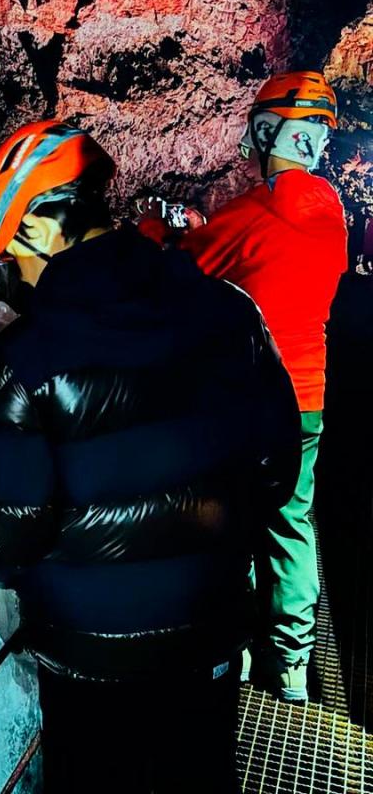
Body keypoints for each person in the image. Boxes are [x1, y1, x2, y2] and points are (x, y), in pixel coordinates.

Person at [0, 119, 301, 793]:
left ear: (37, 229)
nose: (20, 278)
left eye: (14, 256)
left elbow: (10, 542)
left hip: (88, 667)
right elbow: (277, 471)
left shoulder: (24, 362)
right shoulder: (231, 313)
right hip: (205, 642)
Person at [171, 72, 349, 702]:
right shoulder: (334, 213)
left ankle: (235, 656)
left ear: (269, 129)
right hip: (309, 402)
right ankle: (293, 670)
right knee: (294, 525)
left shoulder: (247, 213)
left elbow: (187, 270)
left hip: (250, 404)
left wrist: (173, 230)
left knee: (233, 521)